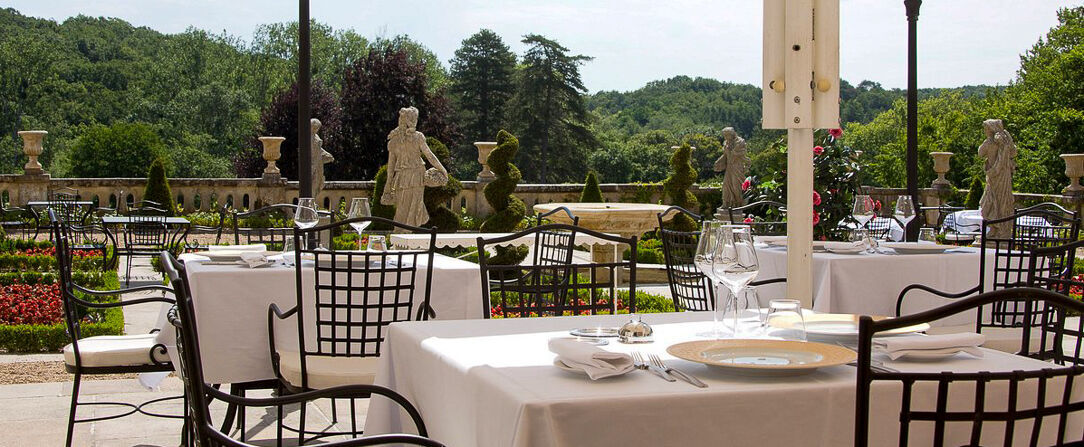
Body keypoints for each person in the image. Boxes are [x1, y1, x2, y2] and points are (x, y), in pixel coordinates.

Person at [381, 107, 448, 228]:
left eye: (415, 118)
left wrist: (442, 169)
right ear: (407, 120)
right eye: (413, 118)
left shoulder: (414, 137)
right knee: (404, 209)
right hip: (408, 177)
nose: (415, 121)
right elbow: (391, 167)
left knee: (413, 208)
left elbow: (430, 156)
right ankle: (402, 237)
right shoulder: (398, 140)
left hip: (415, 176)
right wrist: (388, 183)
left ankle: (406, 238)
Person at [978, 119, 1016, 239]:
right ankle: (996, 228)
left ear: (991, 129)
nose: (985, 131)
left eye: (986, 128)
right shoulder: (993, 141)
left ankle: (1000, 230)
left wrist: (1004, 143)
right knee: (992, 202)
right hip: (996, 176)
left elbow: (980, 153)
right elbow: (1013, 153)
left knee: (1000, 201)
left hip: (1001, 176)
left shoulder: (995, 141)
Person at [713, 127, 748, 208]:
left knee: (736, 186)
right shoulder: (726, 143)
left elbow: (741, 153)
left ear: (732, 134)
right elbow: (725, 155)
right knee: (726, 185)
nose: (725, 137)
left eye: (727, 135)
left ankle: (738, 205)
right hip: (729, 167)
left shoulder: (740, 141)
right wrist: (718, 161)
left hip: (737, 167)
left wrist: (732, 151)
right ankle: (726, 203)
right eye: (724, 135)